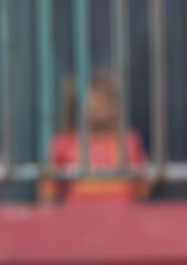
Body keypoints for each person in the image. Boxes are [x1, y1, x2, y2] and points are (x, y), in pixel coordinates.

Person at [39, 71, 150, 203]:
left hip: (122, 216)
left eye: (106, 101)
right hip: (77, 217)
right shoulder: (65, 142)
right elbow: (48, 187)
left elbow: (143, 184)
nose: (100, 108)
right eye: (93, 101)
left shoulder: (128, 140)